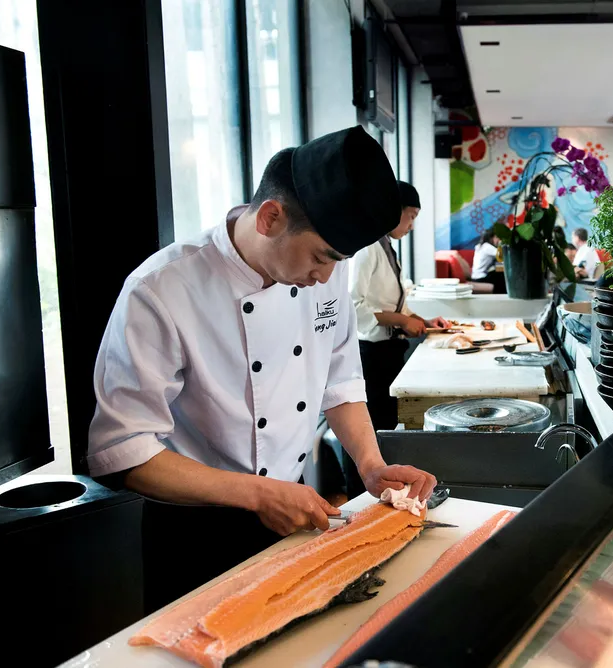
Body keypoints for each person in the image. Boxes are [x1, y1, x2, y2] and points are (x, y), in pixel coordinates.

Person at [87, 126, 437, 612]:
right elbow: (124, 451)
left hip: (290, 509)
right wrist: (258, 494)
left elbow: (339, 382)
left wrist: (371, 465)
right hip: (194, 530)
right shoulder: (161, 290)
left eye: (338, 261)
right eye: (321, 257)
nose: (326, 276)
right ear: (271, 217)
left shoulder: (325, 277)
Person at [348, 180, 450, 495]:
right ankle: (361, 498)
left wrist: (421, 321)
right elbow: (354, 306)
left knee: (386, 426)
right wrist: (402, 321)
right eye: (411, 216)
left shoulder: (385, 246)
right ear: (392, 211)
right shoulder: (366, 248)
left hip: (388, 351)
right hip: (371, 354)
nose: (412, 225)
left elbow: (393, 303)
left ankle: (384, 491)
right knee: (373, 432)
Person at [471, 228, 506, 293]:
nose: (498, 239)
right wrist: (501, 244)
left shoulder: (480, 246)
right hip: (481, 278)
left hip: (475, 276)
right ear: (491, 237)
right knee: (502, 276)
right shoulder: (487, 247)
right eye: (497, 237)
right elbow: (502, 255)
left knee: (498, 272)